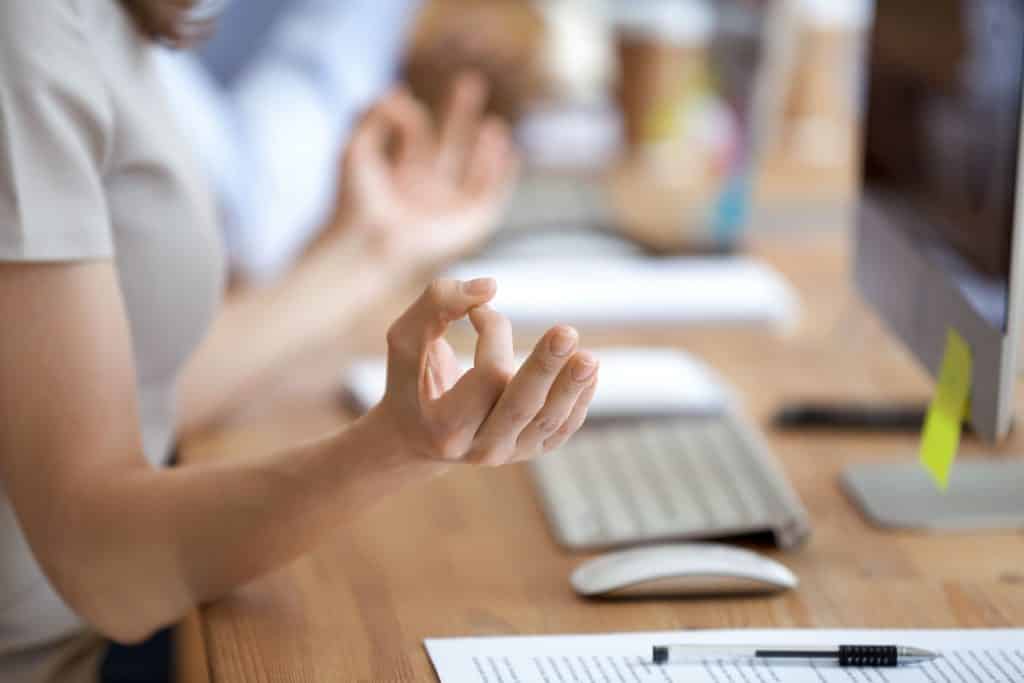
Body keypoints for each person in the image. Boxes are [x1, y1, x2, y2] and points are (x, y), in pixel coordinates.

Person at [0, 2, 600, 683]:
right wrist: (396, 444)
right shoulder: (25, 29)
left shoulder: (108, 20)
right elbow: (99, 562)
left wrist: (372, 248)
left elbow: (139, 389)